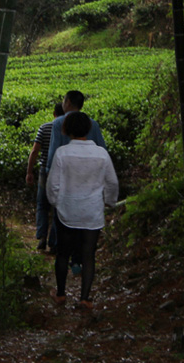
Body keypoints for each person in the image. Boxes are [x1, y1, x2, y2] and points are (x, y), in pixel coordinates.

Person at [46, 112, 118, 310]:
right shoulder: (101, 154)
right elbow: (112, 182)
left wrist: (55, 202)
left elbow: (53, 185)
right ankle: (85, 298)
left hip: (67, 211)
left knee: (63, 254)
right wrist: (110, 202)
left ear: (66, 130)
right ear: (88, 129)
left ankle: (60, 294)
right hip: (92, 212)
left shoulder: (62, 153)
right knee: (88, 256)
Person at [45, 90, 106, 273]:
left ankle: (63, 255)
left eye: (64, 100)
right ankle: (78, 260)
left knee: (63, 221)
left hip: (65, 181)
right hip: (87, 182)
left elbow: (53, 154)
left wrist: (50, 179)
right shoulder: (92, 124)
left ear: (69, 102)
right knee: (83, 224)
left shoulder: (58, 123)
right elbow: (102, 150)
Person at [26, 103, 63, 251]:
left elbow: (35, 151)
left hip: (44, 170)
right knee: (57, 207)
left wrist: (29, 171)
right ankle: (53, 242)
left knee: (42, 204)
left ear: (54, 113)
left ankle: (41, 236)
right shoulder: (67, 130)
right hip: (61, 171)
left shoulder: (45, 127)